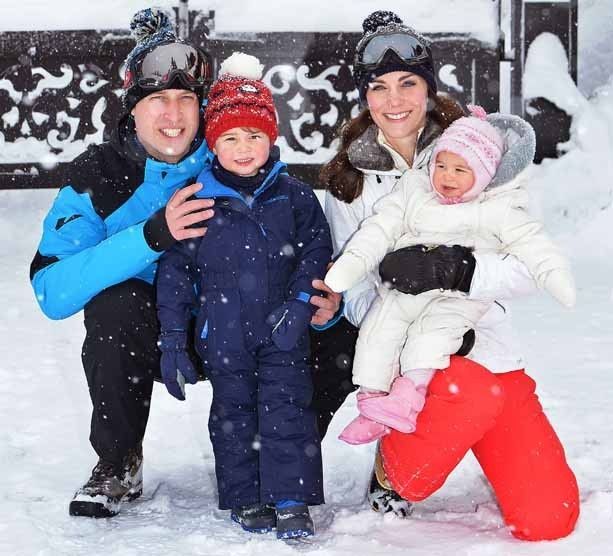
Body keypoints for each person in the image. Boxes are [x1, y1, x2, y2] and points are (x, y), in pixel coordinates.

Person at [29, 9, 340, 519]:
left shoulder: (235, 153)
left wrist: (323, 298)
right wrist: (153, 235)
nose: (172, 115)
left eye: (185, 100)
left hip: (255, 320)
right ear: (132, 107)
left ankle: (281, 449)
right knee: (115, 307)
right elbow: (51, 292)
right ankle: (118, 459)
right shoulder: (98, 176)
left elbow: (304, 238)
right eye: (157, 100)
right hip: (166, 330)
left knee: (335, 323)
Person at [317, 9, 574, 521]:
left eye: (408, 83)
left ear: (429, 87)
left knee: (549, 516)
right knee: (466, 393)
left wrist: (461, 272)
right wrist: (406, 316)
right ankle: (395, 467)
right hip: (406, 354)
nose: (395, 101)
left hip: (489, 343)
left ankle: (470, 434)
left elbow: (529, 264)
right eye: (380, 87)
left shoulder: (480, 152)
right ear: (364, 97)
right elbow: (356, 287)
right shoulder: (352, 181)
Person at [324, 105, 575, 445]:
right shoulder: (412, 191)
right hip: (402, 293)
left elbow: (533, 255)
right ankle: (372, 404)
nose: (447, 176)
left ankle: (405, 399)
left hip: (463, 311)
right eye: (441, 165)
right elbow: (377, 231)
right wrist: (356, 267)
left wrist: (461, 271)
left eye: (460, 169)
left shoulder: (497, 206)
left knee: (429, 341)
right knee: (378, 332)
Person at [156, 52, 331, 539]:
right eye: (230, 137)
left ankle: (292, 498)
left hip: (282, 328)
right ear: (213, 143)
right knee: (233, 415)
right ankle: (247, 495)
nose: (243, 147)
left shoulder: (294, 196)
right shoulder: (197, 198)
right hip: (224, 334)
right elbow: (174, 270)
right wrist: (174, 336)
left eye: (254, 135)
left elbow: (317, 251)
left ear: (270, 137)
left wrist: (300, 303)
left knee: (287, 409)